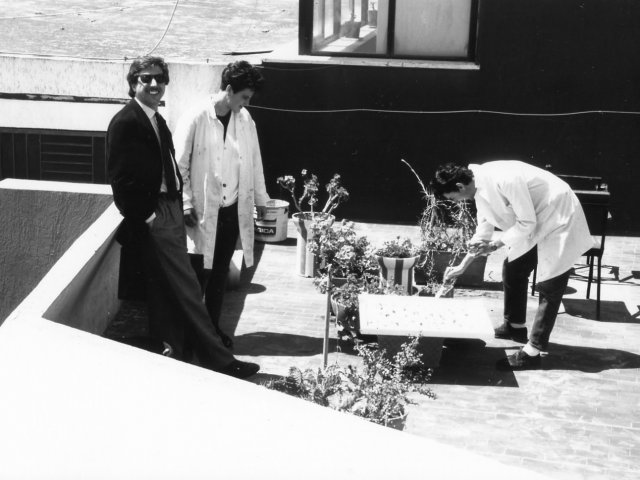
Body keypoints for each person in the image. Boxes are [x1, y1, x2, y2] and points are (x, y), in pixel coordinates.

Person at [107, 55, 260, 379]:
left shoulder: (156, 119)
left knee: (166, 290)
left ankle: (171, 353)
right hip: (158, 216)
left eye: (160, 79)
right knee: (189, 289)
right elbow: (120, 183)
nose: (154, 84)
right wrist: (149, 217)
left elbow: (170, 168)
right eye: (146, 78)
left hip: (171, 211)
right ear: (133, 83)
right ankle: (219, 360)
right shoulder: (126, 121)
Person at [431, 160, 595, 370]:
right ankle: (515, 326)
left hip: (558, 216)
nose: (456, 202)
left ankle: (533, 352)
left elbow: (527, 223)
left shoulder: (504, 178)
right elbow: (484, 228)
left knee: (550, 285)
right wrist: (462, 266)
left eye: (453, 198)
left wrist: (497, 243)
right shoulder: (477, 185)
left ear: (460, 187)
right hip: (535, 220)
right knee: (513, 268)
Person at [174, 60, 270, 348]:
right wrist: (186, 203)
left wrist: (262, 201)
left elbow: (255, 161)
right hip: (201, 212)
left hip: (231, 210)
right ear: (229, 90)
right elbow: (179, 165)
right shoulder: (196, 117)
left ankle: (212, 331)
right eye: (243, 97)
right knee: (196, 275)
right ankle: (189, 335)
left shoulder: (245, 120)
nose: (245, 103)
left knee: (218, 276)